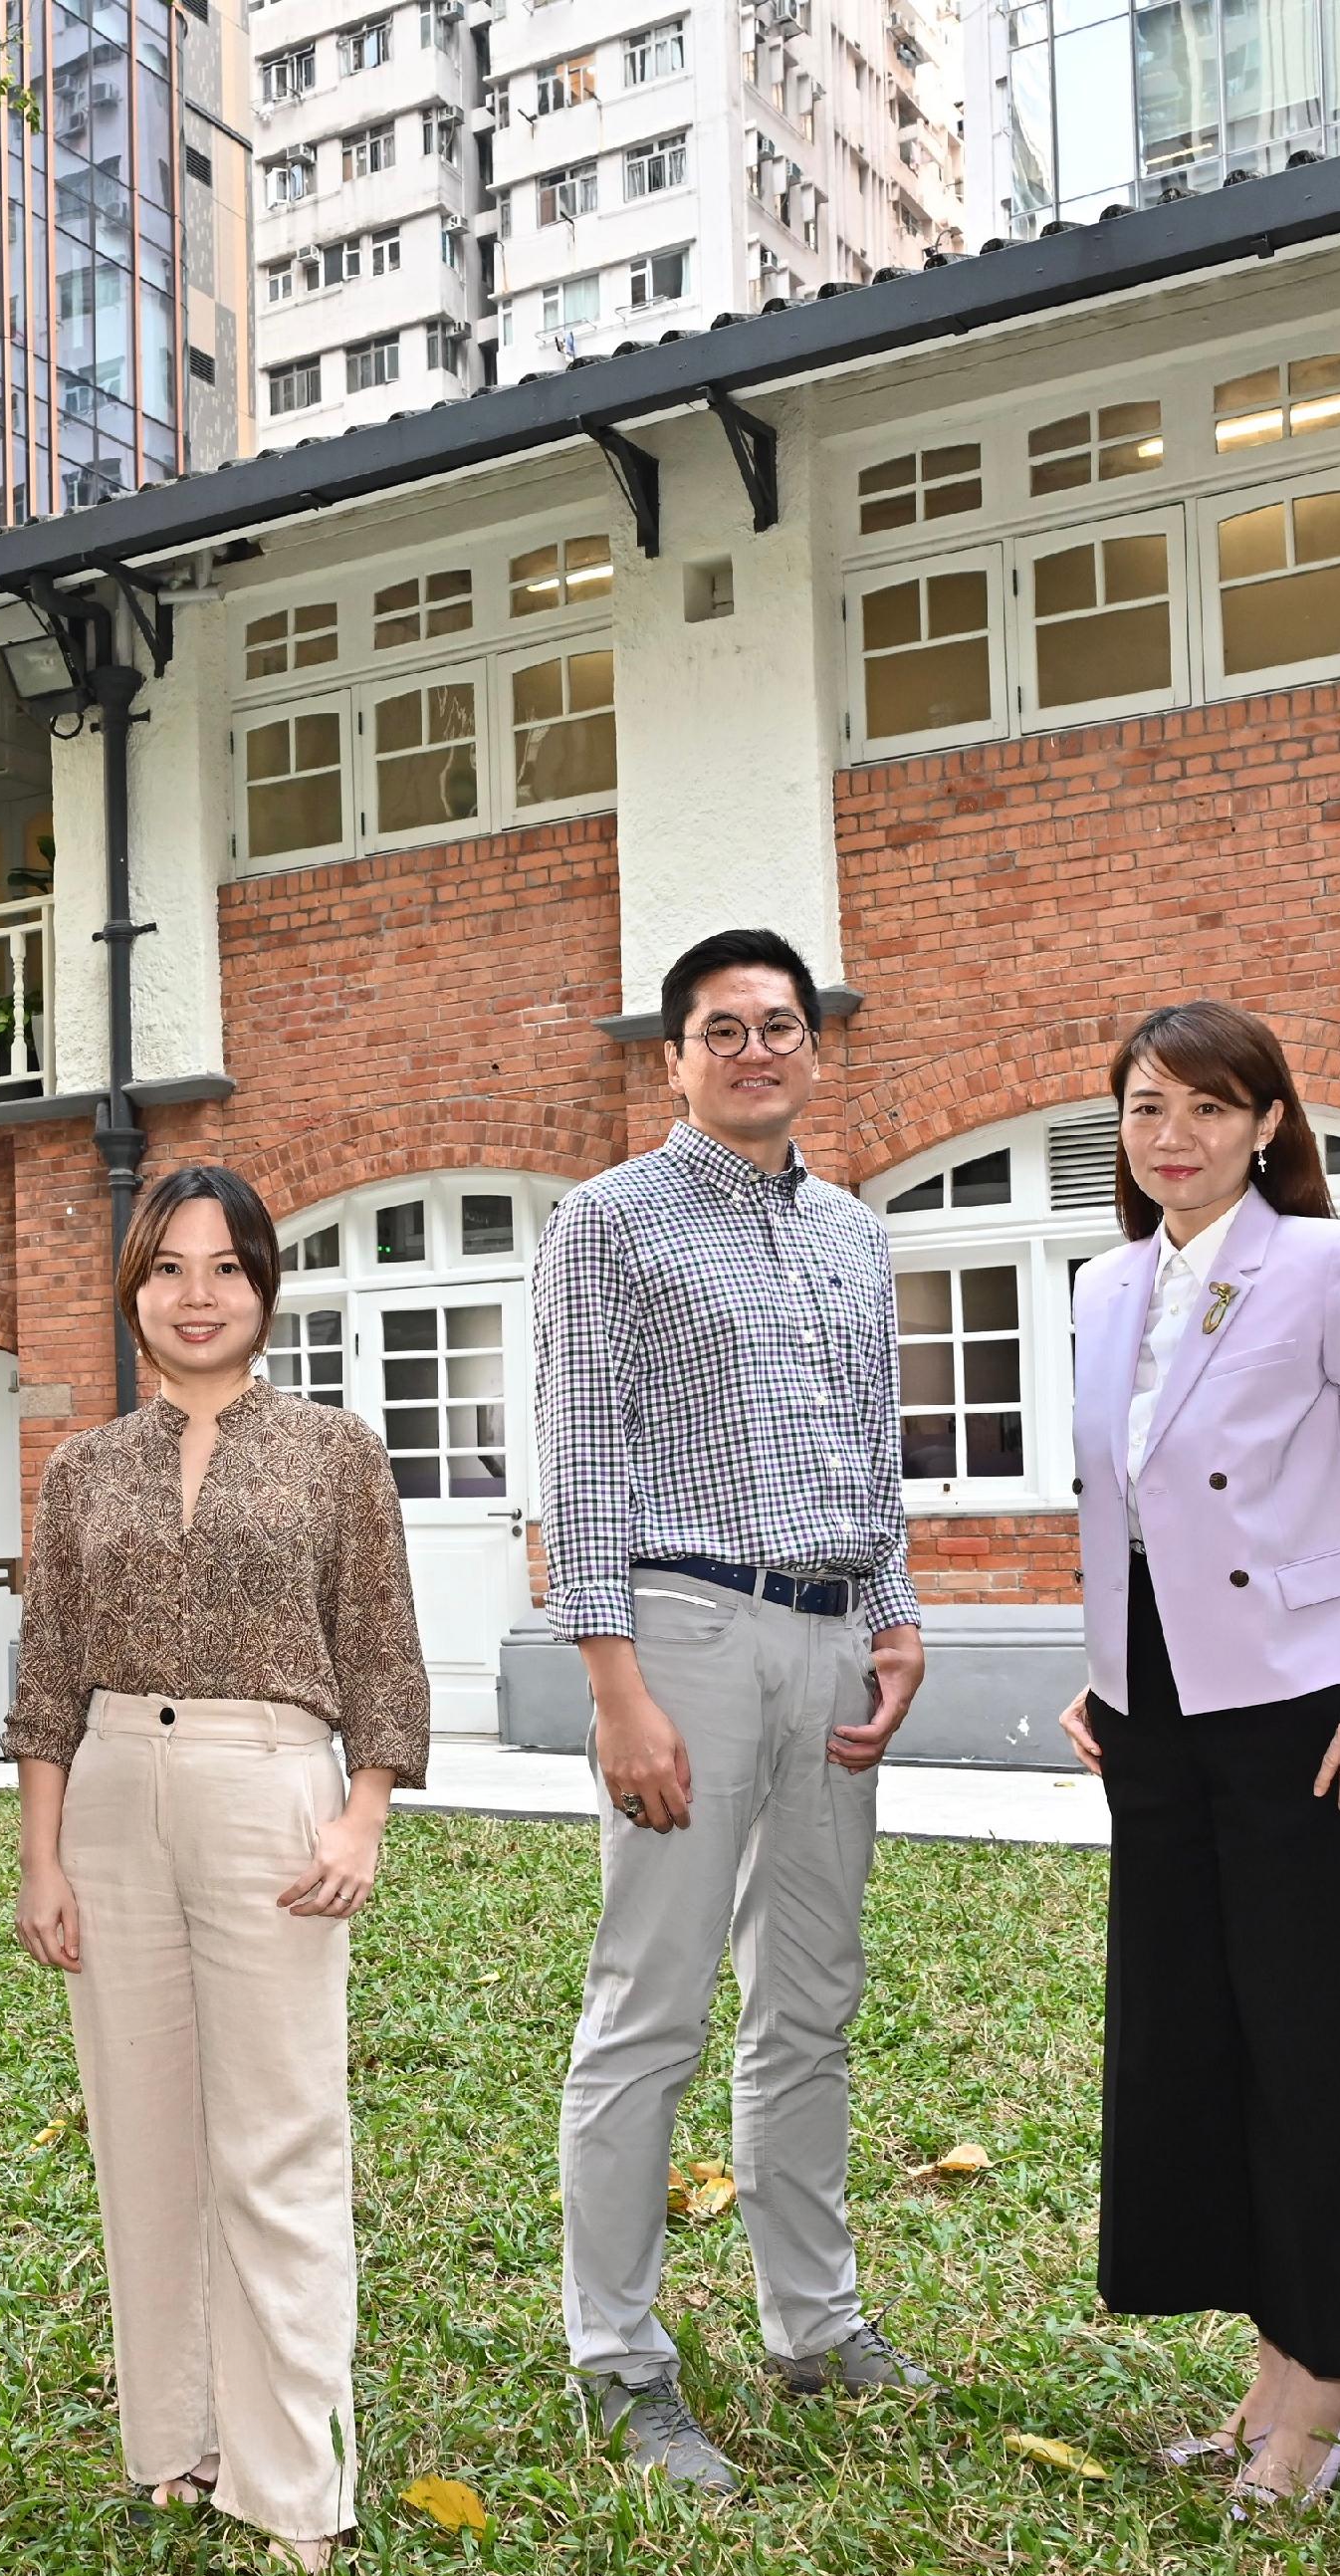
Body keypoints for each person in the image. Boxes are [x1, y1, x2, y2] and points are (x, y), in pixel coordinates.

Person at [1051, 1001, 1340, 2512]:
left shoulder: (1326, 1263)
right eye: (1142, 1108)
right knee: (1203, 2047)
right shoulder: (1106, 1290)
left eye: (1202, 1108)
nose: (1169, 1136)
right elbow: (1133, 1507)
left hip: (1318, 1718)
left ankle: (1325, 2391)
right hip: (1159, 1726)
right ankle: (1268, 2371)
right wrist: (1106, 1680)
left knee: (1323, 2051)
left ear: (1264, 1124)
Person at [533, 928, 928, 2495]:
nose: (757, 1049)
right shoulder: (607, 1224)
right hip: (683, 1630)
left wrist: (895, 1611)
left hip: (837, 1639)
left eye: (782, 1025)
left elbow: (869, 1441)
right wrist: (613, 1684)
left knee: (811, 2000)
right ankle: (618, 2356)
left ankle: (814, 2321)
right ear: (676, 1059)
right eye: (724, 1029)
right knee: (654, 2005)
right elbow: (579, 1459)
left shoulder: (850, 1233)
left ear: (814, 1048)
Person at [4, 1163, 431, 2573]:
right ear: (133, 1286)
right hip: (116, 1795)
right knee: (145, 2140)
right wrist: (42, 1856)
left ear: (264, 1288)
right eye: (170, 1267)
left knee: (282, 2140)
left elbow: (379, 1649)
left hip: (272, 1791)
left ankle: (295, 2482)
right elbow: (48, 1672)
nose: (198, 1296)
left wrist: (361, 1815)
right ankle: (176, 2445)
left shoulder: (332, 1451)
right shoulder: (81, 1468)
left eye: (226, 1268)